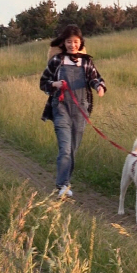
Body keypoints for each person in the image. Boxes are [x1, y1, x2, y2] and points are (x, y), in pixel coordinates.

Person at [40, 25, 106, 198]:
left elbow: (95, 78)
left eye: (75, 41)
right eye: (69, 41)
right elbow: (43, 82)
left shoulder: (86, 61)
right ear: (64, 43)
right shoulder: (57, 60)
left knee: (73, 149)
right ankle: (62, 185)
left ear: (80, 43)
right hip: (60, 107)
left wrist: (99, 87)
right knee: (65, 149)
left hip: (80, 110)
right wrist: (54, 84)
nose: (72, 45)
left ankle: (66, 182)